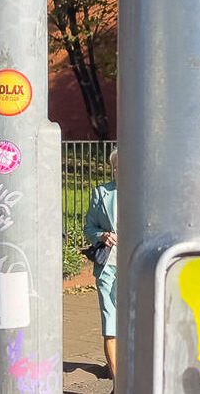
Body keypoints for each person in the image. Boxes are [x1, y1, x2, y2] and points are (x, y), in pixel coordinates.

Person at [84, 148, 120, 382]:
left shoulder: (146, 192)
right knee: (110, 319)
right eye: (115, 167)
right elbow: (88, 228)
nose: (118, 171)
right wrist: (102, 235)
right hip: (109, 263)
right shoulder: (101, 193)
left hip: (138, 265)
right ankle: (119, 382)